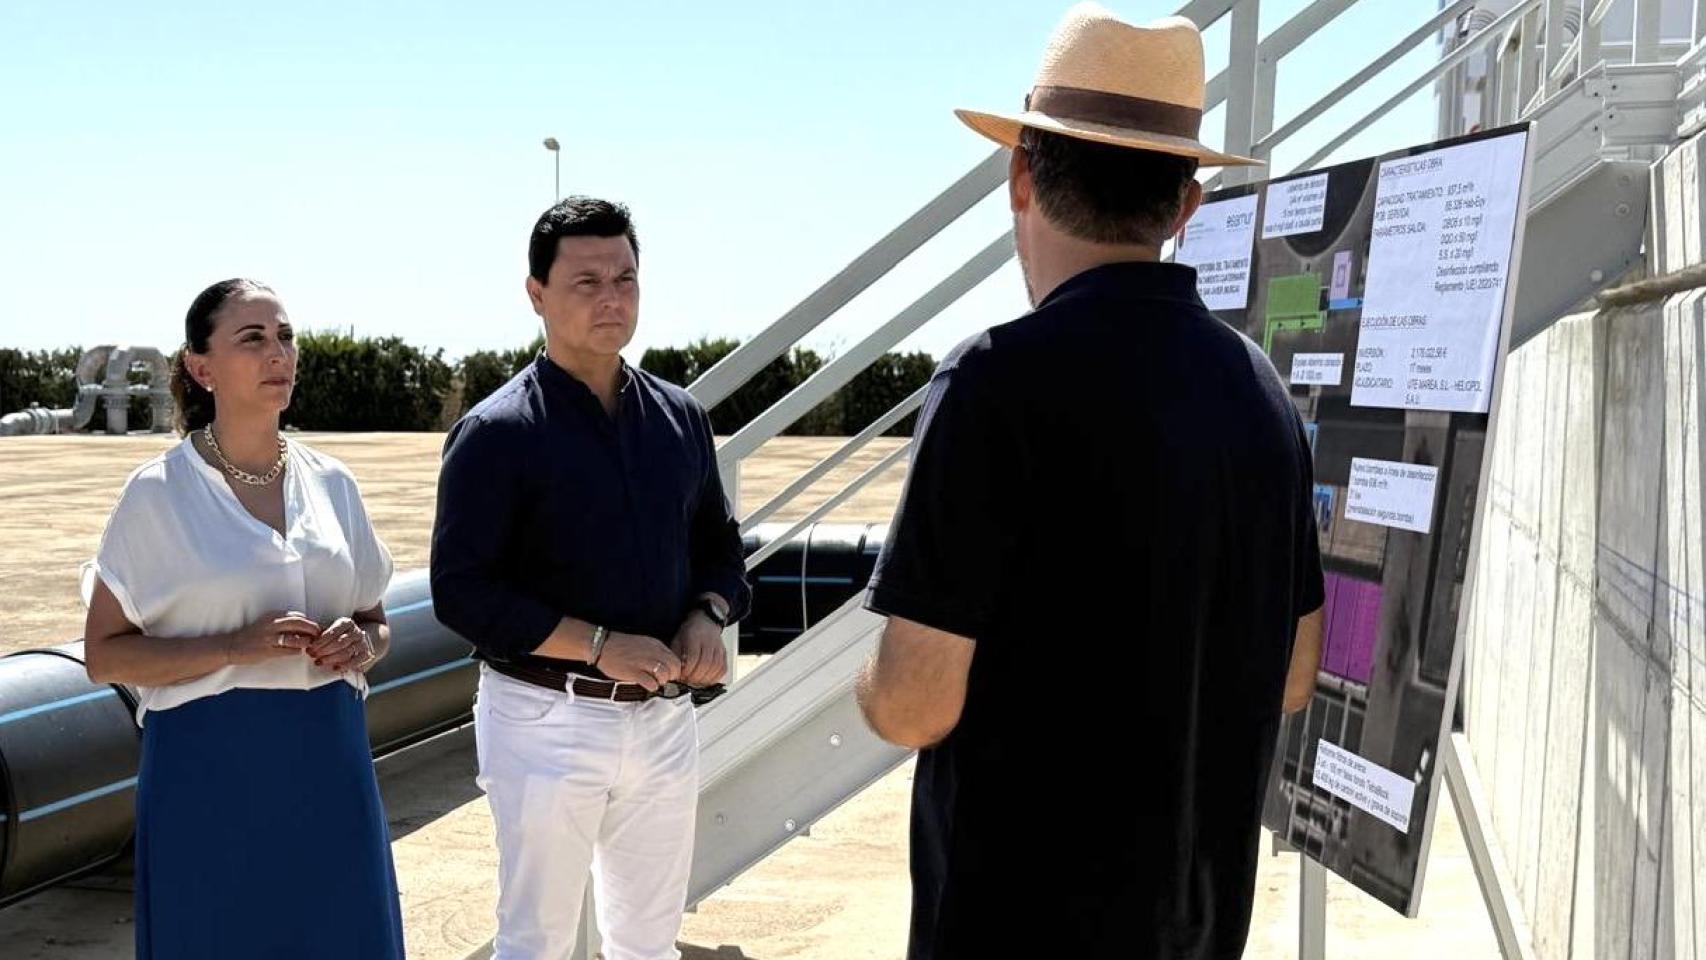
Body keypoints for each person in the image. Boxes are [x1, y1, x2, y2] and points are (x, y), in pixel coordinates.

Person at [854, 6, 1327, 959]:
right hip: (1195, 928)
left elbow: (914, 703)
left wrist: (865, 686)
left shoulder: (992, 381)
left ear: (1020, 172)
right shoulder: (1261, 391)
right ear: (1185, 204)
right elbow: (1294, 673)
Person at [430, 196, 751, 960]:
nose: (612, 298)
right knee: (535, 943)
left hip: (665, 720)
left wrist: (709, 612)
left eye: (626, 278)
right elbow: (462, 591)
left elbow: (720, 545)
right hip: (545, 721)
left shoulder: (681, 419)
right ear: (536, 293)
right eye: (586, 282)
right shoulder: (496, 434)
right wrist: (600, 645)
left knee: (649, 943)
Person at [81, 278, 404, 959]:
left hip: (330, 761)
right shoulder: (156, 494)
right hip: (208, 768)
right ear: (202, 368)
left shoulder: (334, 484)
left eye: (285, 336)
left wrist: (361, 644)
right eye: (252, 339)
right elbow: (105, 655)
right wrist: (235, 645)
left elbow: (377, 621)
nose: (277, 353)